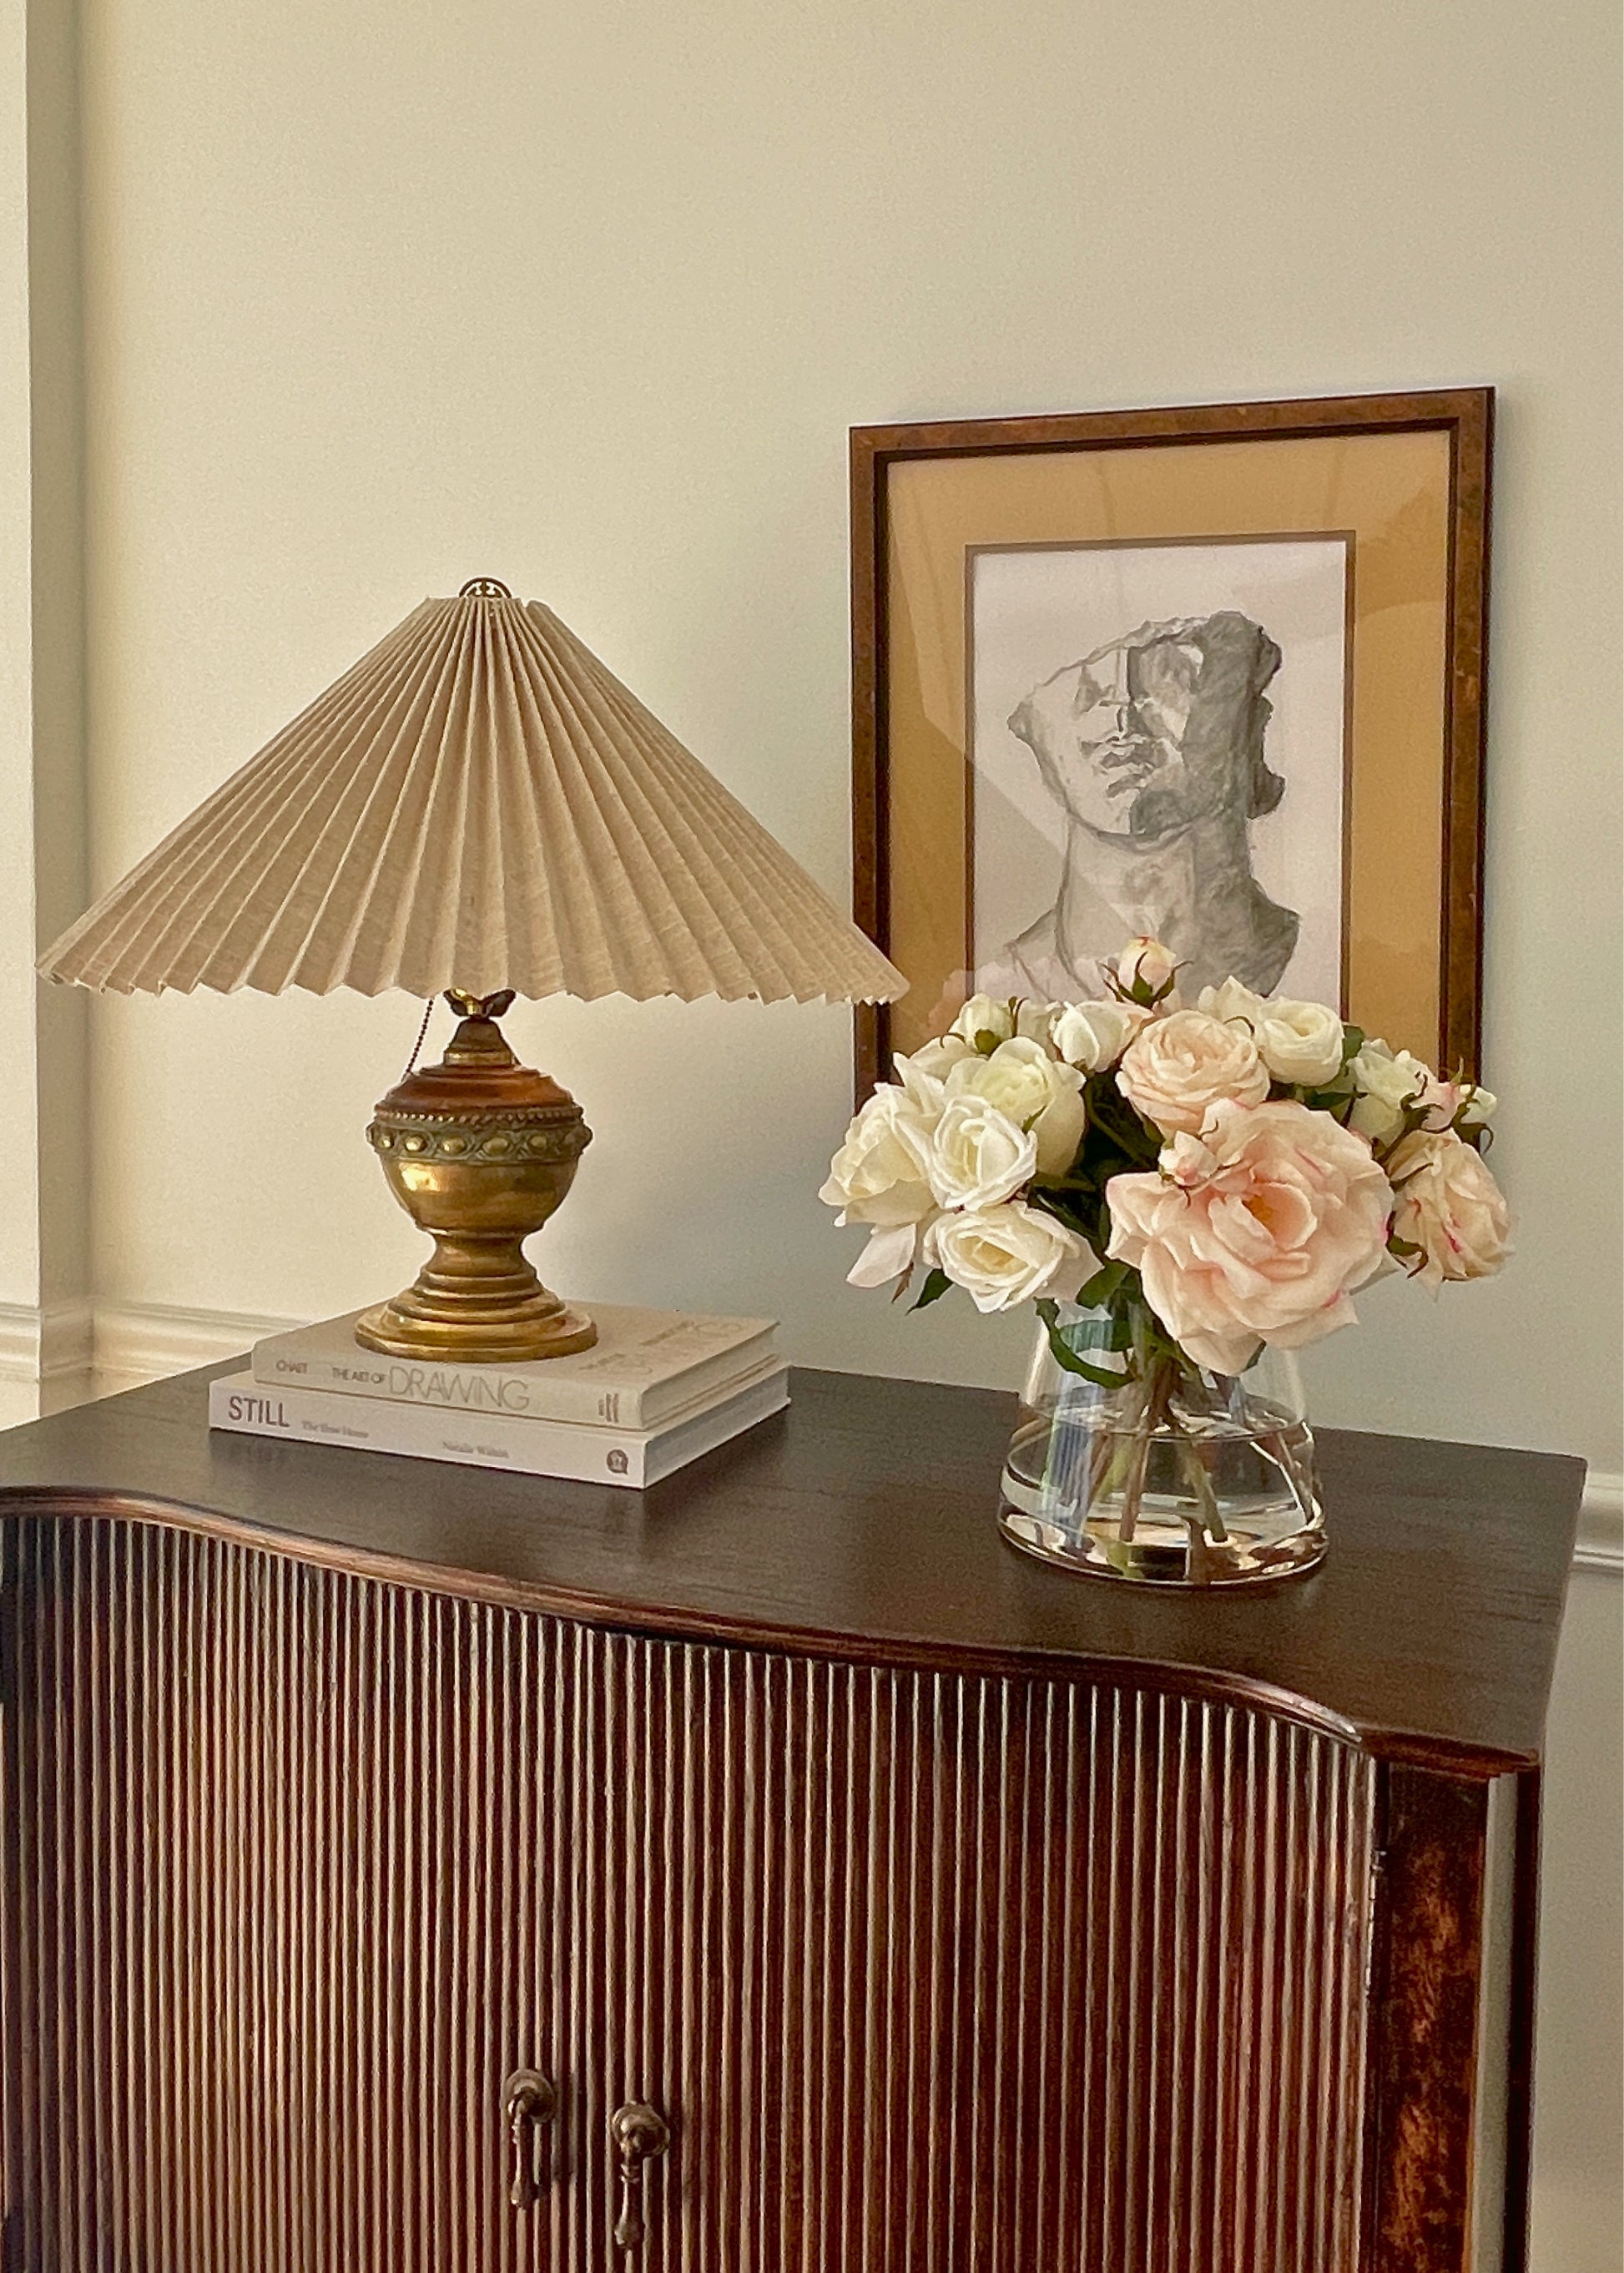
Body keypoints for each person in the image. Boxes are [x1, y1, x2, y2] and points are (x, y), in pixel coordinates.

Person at [977, 610, 1299, 1001]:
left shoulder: (1302, 954)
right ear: (1035, 733)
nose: (1124, 717)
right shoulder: (1006, 984)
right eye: (1084, 691)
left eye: (1173, 678)